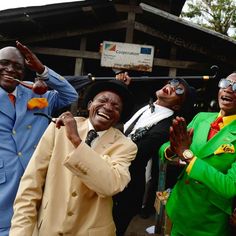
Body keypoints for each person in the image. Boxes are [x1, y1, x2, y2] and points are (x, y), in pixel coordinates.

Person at [9, 80, 138, 236]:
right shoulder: (58, 128)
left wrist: (77, 141)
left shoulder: (125, 146)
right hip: (48, 229)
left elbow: (110, 186)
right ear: (90, 105)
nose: (108, 107)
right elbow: (31, 185)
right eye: (102, 100)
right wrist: (21, 232)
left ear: (119, 116)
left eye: (116, 106)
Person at [0, 41, 78, 236]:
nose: (10, 69)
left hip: (35, 184)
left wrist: (42, 70)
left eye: (18, 67)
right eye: (4, 63)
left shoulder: (36, 95)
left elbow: (70, 95)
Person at [113, 72, 196, 235]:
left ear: (178, 106)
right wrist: (120, 85)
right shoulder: (143, 105)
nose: (171, 88)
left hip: (125, 188)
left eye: (179, 91)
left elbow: (136, 152)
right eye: (172, 82)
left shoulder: (167, 127)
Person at [159, 72, 236, 236]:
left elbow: (230, 186)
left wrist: (187, 155)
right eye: (225, 83)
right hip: (178, 207)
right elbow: (168, 147)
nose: (228, 90)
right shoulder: (202, 118)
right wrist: (172, 149)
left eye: (235, 87)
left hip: (209, 220)